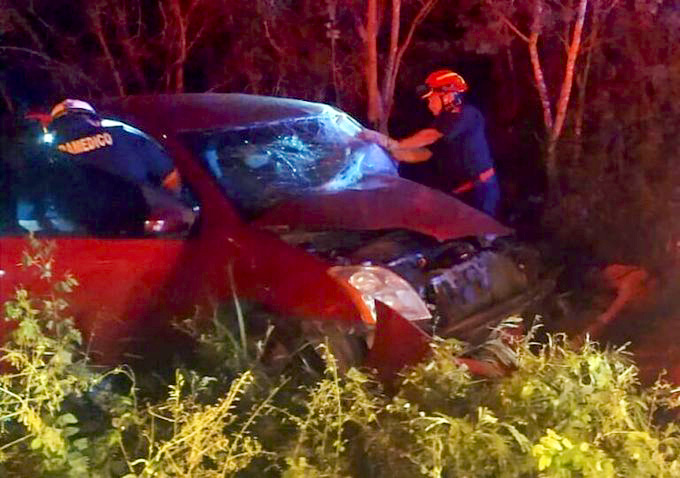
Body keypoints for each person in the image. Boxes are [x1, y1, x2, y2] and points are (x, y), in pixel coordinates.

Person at [360, 69, 500, 218]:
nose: (429, 105)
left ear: (448, 96)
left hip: (480, 192)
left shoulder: (467, 115)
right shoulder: (443, 123)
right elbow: (425, 154)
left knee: (478, 236)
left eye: (431, 99)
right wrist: (391, 153)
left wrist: (392, 144)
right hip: (459, 193)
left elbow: (430, 136)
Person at [48, 98, 181, 193]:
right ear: (96, 120)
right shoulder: (124, 136)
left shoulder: (50, 155)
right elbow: (170, 175)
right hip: (134, 222)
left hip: (77, 228)